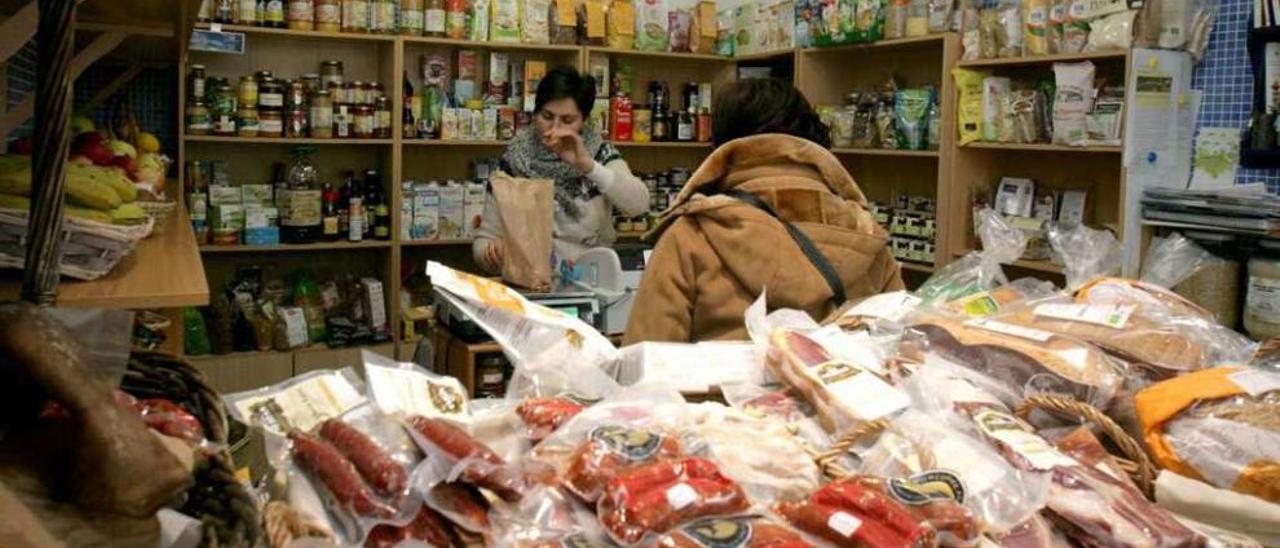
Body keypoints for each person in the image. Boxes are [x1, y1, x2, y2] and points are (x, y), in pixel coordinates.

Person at [623, 78, 904, 344]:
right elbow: (902, 352)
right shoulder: (865, 234)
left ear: (719, 145)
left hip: (718, 394)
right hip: (838, 393)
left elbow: (642, 365)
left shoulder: (691, 235)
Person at [473, 66, 649, 273]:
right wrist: (493, 254)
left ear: (583, 121)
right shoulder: (513, 162)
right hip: (530, 288)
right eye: (547, 116)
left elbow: (639, 205)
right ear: (535, 113)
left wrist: (587, 166)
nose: (554, 128)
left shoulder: (600, 154)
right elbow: (484, 240)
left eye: (567, 120)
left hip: (590, 286)